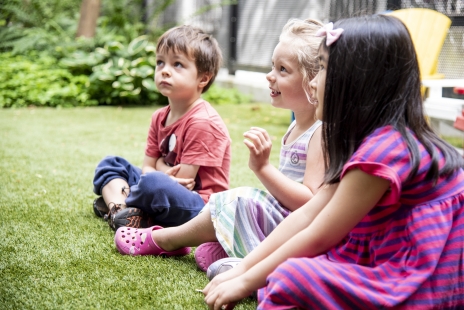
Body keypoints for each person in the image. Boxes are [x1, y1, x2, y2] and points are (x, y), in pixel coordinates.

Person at [202, 14, 464, 310]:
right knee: (288, 274)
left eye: (323, 67)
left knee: (291, 277)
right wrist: (242, 272)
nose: (312, 81)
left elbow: (319, 235)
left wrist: (246, 282)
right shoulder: (360, 140)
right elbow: (308, 215)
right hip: (384, 253)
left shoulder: (385, 149)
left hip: (420, 278)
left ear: (356, 82)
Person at [113, 18, 326, 269]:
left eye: (283, 70)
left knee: (238, 199)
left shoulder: (320, 133)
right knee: (116, 165)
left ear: (314, 81)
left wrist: (262, 168)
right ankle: (230, 248)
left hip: (296, 231)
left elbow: (310, 204)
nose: (270, 76)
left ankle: (164, 239)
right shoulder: (297, 126)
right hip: (282, 223)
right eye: (272, 66)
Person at [92, 25, 231, 231]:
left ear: (203, 78)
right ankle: (121, 211)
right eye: (160, 62)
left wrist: (158, 167)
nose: (164, 70)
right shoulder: (159, 117)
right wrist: (158, 168)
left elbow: (183, 180)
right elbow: (147, 166)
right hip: (163, 187)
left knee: (153, 184)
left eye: (177, 64)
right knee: (111, 164)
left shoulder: (203, 121)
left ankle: (119, 200)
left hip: (199, 206)